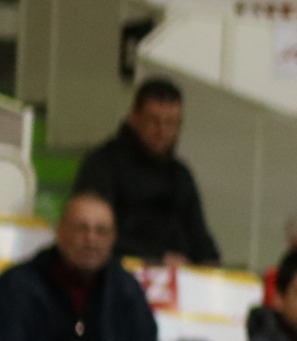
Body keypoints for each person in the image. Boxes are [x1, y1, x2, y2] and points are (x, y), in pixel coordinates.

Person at [0, 192, 166, 341]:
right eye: (81, 229)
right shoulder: (17, 287)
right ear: (59, 232)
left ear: (113, 238)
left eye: (101, 231)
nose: (91, 240)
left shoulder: (127, 291)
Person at [73, 76, 219, 266]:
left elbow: (199, 235)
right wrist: (157, 258)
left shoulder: (180, 175)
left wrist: (210, 262)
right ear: (134, 117)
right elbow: (95, 235)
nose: (162, 131)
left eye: (171, 123)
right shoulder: (103, 164)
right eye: (154, 121)